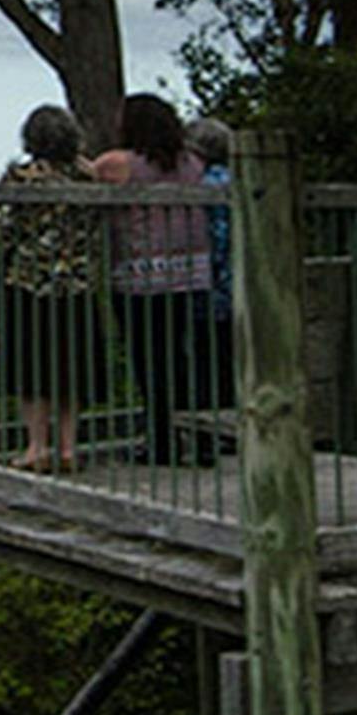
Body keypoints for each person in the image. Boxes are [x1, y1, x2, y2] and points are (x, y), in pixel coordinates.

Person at [0, 104, 107, 474]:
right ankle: (69, 447)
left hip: (30, 282)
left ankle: (36, 446)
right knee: (72, 365)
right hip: (78, 282)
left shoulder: (22, 177)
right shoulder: (89, 176)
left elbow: (0, 227)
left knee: (31, 369)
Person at [93, 94, 211, 463]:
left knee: (150, 360)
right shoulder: (193, 163)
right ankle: (200, 436)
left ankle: (161, 440)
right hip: (192, 273)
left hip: (140, 276)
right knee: (186, 359)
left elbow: (88, 173)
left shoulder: (119, 164)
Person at [186, 116, 237, 414]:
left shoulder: (201, 185)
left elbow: (215, 237)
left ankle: (211, 424)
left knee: (207, 363)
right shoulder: (237, 179)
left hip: (210, 287)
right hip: (238, 285)